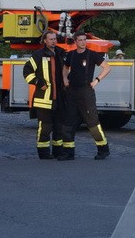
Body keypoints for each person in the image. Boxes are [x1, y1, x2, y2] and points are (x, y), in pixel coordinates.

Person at [62, 31, 112, 160]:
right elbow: (65, 68)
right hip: (72, 92)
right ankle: (68, 152)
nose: (83, 42)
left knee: (92, 122)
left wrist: (97, 80)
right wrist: (65, 79)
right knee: (69, 122)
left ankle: (103, 149)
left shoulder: (92, 55)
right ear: (75, 41)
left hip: (86, 92)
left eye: (85, 40)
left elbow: (107, 67)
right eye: (80, 40)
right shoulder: (71, 55)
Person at [22, 30, 71, 160]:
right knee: (45, 127)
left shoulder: (61, 53)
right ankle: (43, 153)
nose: (53, 41)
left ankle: (58, 151)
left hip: (60, 98)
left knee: (59, 127)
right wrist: (38, 82)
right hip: (44, 99)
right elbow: (27, 71)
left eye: (55, 39)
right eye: (50, 39)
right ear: (45, 40)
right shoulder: (38, 55)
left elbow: (68, 70)